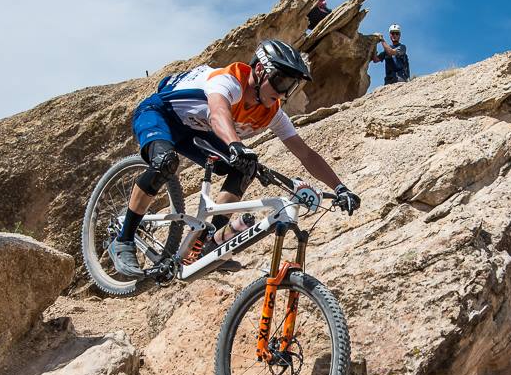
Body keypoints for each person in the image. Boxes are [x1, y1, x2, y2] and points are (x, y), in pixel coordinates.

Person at [110, 39, 360, 277]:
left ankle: (208, 242)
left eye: (291, 86)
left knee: (245, 168)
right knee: (165, 162)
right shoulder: (229, 80)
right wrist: (235, 144)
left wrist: (340, 187)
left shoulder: (271, 112)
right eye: (281, 81)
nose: (283, 93)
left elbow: (304, 152)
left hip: (195, 130)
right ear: (261, 70)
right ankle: (124, 240)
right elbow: (219, 114)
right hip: (160, 114)